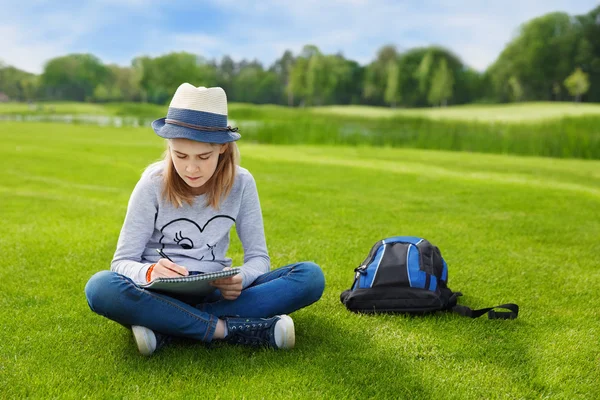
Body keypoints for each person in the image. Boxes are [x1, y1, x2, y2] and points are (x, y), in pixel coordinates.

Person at [84, 83, 325, 356]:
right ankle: (226, 329)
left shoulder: (242, 183)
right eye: (180, 155)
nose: (190, 168)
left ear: (222, 147)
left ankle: (167, 327)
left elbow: (259, 257)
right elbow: (121, 262)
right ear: (169, 146)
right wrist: (150, 272)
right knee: (100, 287)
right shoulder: (152, 182)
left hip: (214, 290)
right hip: (159, 292)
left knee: (310, 277)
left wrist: (241, 279)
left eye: (203, 156)